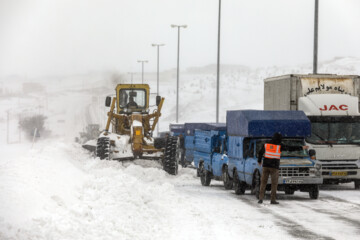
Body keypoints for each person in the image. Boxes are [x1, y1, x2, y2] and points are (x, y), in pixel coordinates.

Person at [257, 132, 308, 204]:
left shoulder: (266, 145)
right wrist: (301, 147)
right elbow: (290, 148)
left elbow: (260, 153)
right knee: (274, 184)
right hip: (274, 167)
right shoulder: (279, 146)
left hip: (266, 166)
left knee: (263, 183)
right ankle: (272, 200)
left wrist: (259, 161)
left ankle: (260, 198)